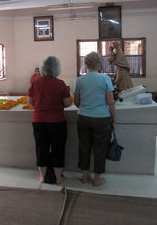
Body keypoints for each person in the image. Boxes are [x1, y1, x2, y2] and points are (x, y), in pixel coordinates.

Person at [28, 56, 72, 184]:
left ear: (43, 68)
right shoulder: (60, 83)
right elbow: (68, 103)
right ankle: (58, 178)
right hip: (57, 122)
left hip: (39, 121)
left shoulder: (35, 83)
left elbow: (30, 103)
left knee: (41, 148)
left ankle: (42, 177)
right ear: (57, 69)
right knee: (58, 148)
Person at [74, 52, 115, 186]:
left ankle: (85, 176)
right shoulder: (105, 79)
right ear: (100, 64)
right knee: (100, 149)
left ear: (86, 64)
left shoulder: (80, 80)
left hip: (83, 118)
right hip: (102, 119)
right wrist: (113, 119)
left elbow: (76, 101)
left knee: (84, 147)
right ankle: (97, 179)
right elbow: (110, 102)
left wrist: (86, 107)